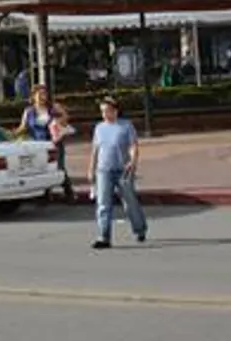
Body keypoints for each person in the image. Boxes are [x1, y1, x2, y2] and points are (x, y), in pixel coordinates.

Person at [88, 97, 145, 249]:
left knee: (129, 202)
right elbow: (95, 150)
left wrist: (133, 161)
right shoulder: (99, 128)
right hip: (103, 170)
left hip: (123, 170)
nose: (105, 114)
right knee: (103, 204)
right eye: (102, 112)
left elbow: (133, 146)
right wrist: (91, 169)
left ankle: (140, 229)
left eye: (107, 111)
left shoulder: (125, 126)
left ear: (115, 111)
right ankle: (103, 236)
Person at [15, 84, 74, 202]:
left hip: (54, 143)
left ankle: (69, 193)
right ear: (34, 96)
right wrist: (13, 134)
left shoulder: (52, 109)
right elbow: (23, 127)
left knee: (59, 167)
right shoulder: (29, 111)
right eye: (40, 94)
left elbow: (65, 120)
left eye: (44, 94)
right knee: (42, 168)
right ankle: (45, 195)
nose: (43, 97)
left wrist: (61, 113)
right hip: (38, 145)